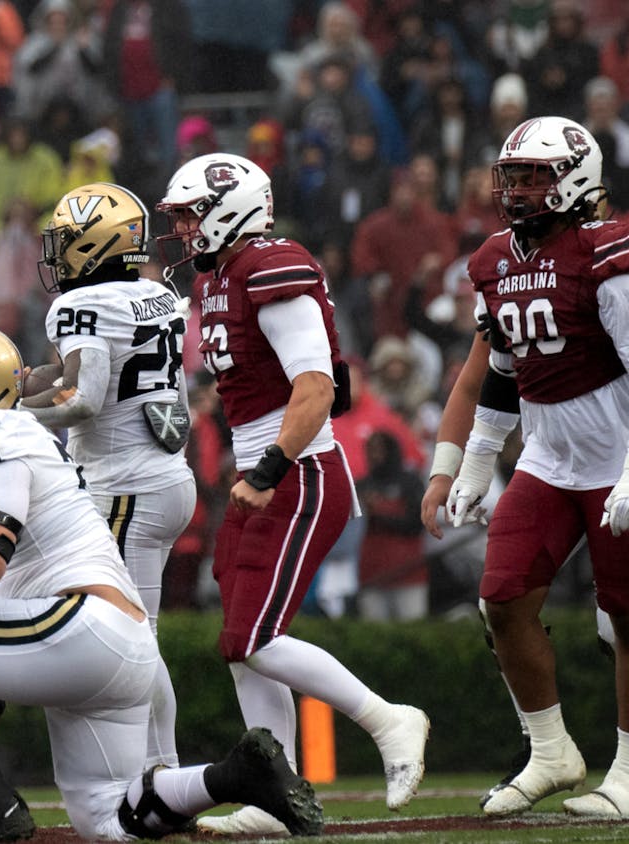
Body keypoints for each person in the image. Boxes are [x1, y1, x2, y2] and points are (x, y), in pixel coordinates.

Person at [0, 320, 323, 841]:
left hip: (79, 628)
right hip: (119, 642)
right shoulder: (21, 434)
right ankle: (236, 775)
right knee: (108, 824)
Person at [154, 152, 429, 834]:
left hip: (299, 472)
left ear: (232, 208)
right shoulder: (218, 279)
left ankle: (390, 719)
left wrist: (268, 469)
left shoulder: (272, 267)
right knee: (238, 641)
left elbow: (317, 388)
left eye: (192, 214)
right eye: (181, 217)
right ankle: (273, 794)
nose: (185, 229)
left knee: (252, 634)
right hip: (263, 472)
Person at [427, 116, 629, 818]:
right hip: (549, 458)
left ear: (576, 177)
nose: (517, 190)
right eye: (512, 176)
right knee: (502, 597)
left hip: (617, 454)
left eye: (535, 176)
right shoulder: (495, 259)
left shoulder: (607, 253)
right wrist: (477, 463)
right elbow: (501, 368)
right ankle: (551, 751)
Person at [23, 182, 193, 774]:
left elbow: (83, 397)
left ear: (97, 243)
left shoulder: (79, 305)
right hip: (167, 474)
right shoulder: (159, 294)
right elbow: (124, 376)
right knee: (137, 632)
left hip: (124, 483)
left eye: (68, 242)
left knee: (133, 640)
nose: (58, 253)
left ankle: (160, 774)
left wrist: (8, 415)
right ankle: (156, 770)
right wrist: (30, 381)